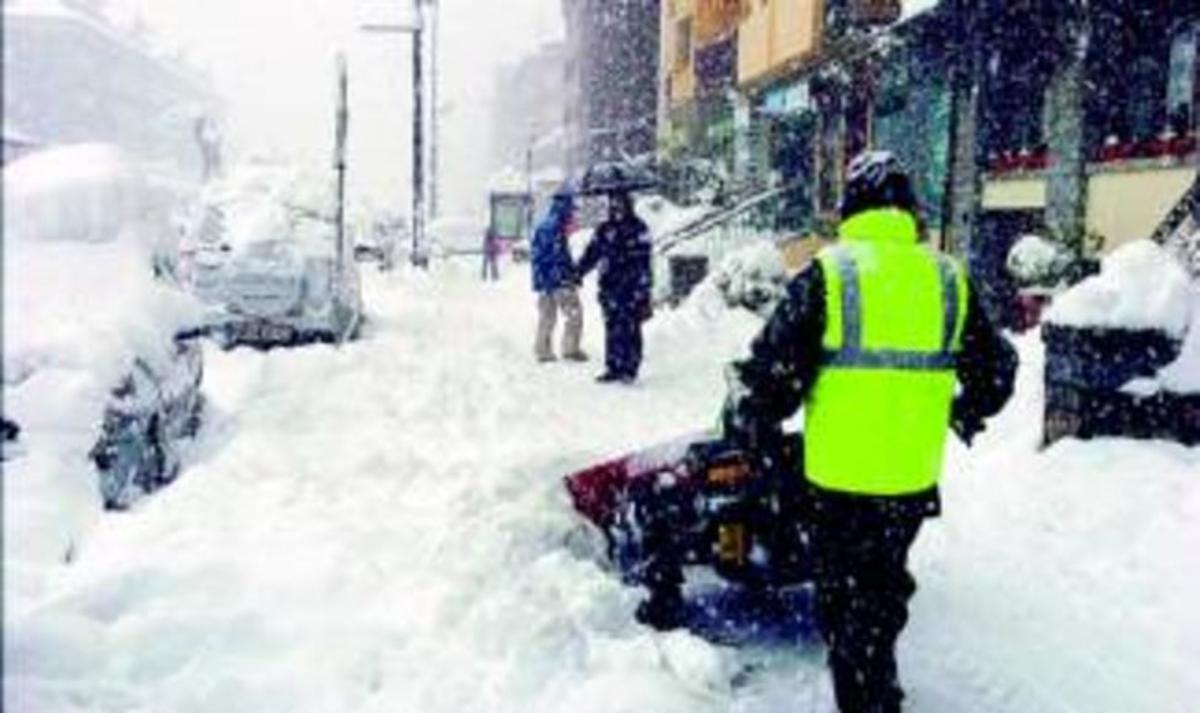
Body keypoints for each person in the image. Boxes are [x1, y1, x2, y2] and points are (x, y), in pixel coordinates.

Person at [689, 151, 1015, 712]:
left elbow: (772, 375)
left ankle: (867, 698)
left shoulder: (830, 274)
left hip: (837, 482)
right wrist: (965, 411)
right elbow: (997, 373)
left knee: (844, 603)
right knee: (882, 588)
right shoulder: (947, 279)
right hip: (909, 481)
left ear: (850, 207)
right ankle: (878, 688)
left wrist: (754, 430)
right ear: (909, 210)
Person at [576, 191, 653, 383]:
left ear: (628, 204)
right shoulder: (604, 229)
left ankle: (630, 367)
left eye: (620, 202)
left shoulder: (639, 228)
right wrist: (578, 272)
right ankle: (613, 366)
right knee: (611, 327)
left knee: (631, 327)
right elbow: (592, 253)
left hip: (631, 288)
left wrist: (643, 291)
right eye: (613, 203)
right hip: (609, 287)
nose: (616, 207)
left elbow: (644, 262)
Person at [531, 191, 587, 362]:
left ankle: (543, 351)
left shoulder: (544, 225)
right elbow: (559, 256)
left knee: (547, 317)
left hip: (544, 280)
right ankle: (570, 349)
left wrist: (541, 281)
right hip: (559, 280)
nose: (573, 214)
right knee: (574, 314)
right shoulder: (555, 227)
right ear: (565, 208)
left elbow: (537, 256)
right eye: (571, 210)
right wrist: (568, 276)